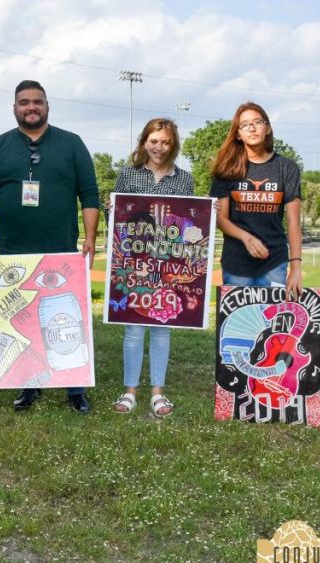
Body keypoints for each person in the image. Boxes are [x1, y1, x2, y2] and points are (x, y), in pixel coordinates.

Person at [0, 79, 100, 414]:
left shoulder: (71, 144)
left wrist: (89, 237)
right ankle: (29, 384)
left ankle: (75, 388)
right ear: (14, 108)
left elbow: (89, 193)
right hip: (14, 251)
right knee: (22, 319)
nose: (31, 107)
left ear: (47, 106)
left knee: (67, 316)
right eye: (24, 102)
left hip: (60, 249)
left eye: (37, 102)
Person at [110, 118, 195, 417]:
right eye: (154, 141)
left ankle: (158, 393)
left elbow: (189, 225)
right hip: (136, 263)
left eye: (166, 142)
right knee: (133, 329)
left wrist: (204, 217)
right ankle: (130, 391)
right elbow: (118, 223)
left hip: (169, 264)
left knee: (162, 328)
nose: (159, 147)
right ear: (144, 141)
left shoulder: (184, 179)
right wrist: (113, 211)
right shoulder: (128, 175)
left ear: (173, 145)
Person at [210, 102, 302, 298]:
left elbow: (294, 221)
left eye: (258, 122)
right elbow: (220, 219)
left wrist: (295, 267)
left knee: (270, 325)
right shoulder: (226, 170)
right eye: (244, 125)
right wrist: (247, 237)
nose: (252, 128)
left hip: (274, 262)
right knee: (237, 326)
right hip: (236, 263)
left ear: (267, 128)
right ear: (237, 133)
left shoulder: (287, 168)